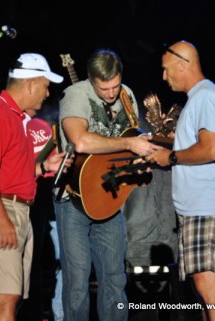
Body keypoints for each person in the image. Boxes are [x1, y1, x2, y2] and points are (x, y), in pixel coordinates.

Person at [54, 48, 161, 321]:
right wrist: (128, 143)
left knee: (115, 279)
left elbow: (131, 143)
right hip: (74, 201)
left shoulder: (127, 95)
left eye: (115, 85)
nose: (112, 93)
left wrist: (140, 161)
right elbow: (80, 141)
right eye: (105, 89)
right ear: (91, 80)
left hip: (109, 199)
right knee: (77, 281)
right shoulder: (76, 94)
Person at [0, 52, 70, 321]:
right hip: (0, 210)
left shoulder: (17, 120)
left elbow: (11, 172)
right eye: (46, 87)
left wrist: (45, 167)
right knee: (7, 296)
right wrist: (2, 218)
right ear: (31, 84)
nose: (47, 95)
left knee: (13, 297)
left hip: (16, 210)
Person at [144, 41, 215, 321]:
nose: (164, 76)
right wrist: (162, 147)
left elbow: (211, 149)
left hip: (206, 204)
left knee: (208, 285)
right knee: (207, 285)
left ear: (183, 65)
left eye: (166, 70)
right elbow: (198, 144)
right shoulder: (199, 99)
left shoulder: (206, 97)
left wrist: (171, 157)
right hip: (199, 205)